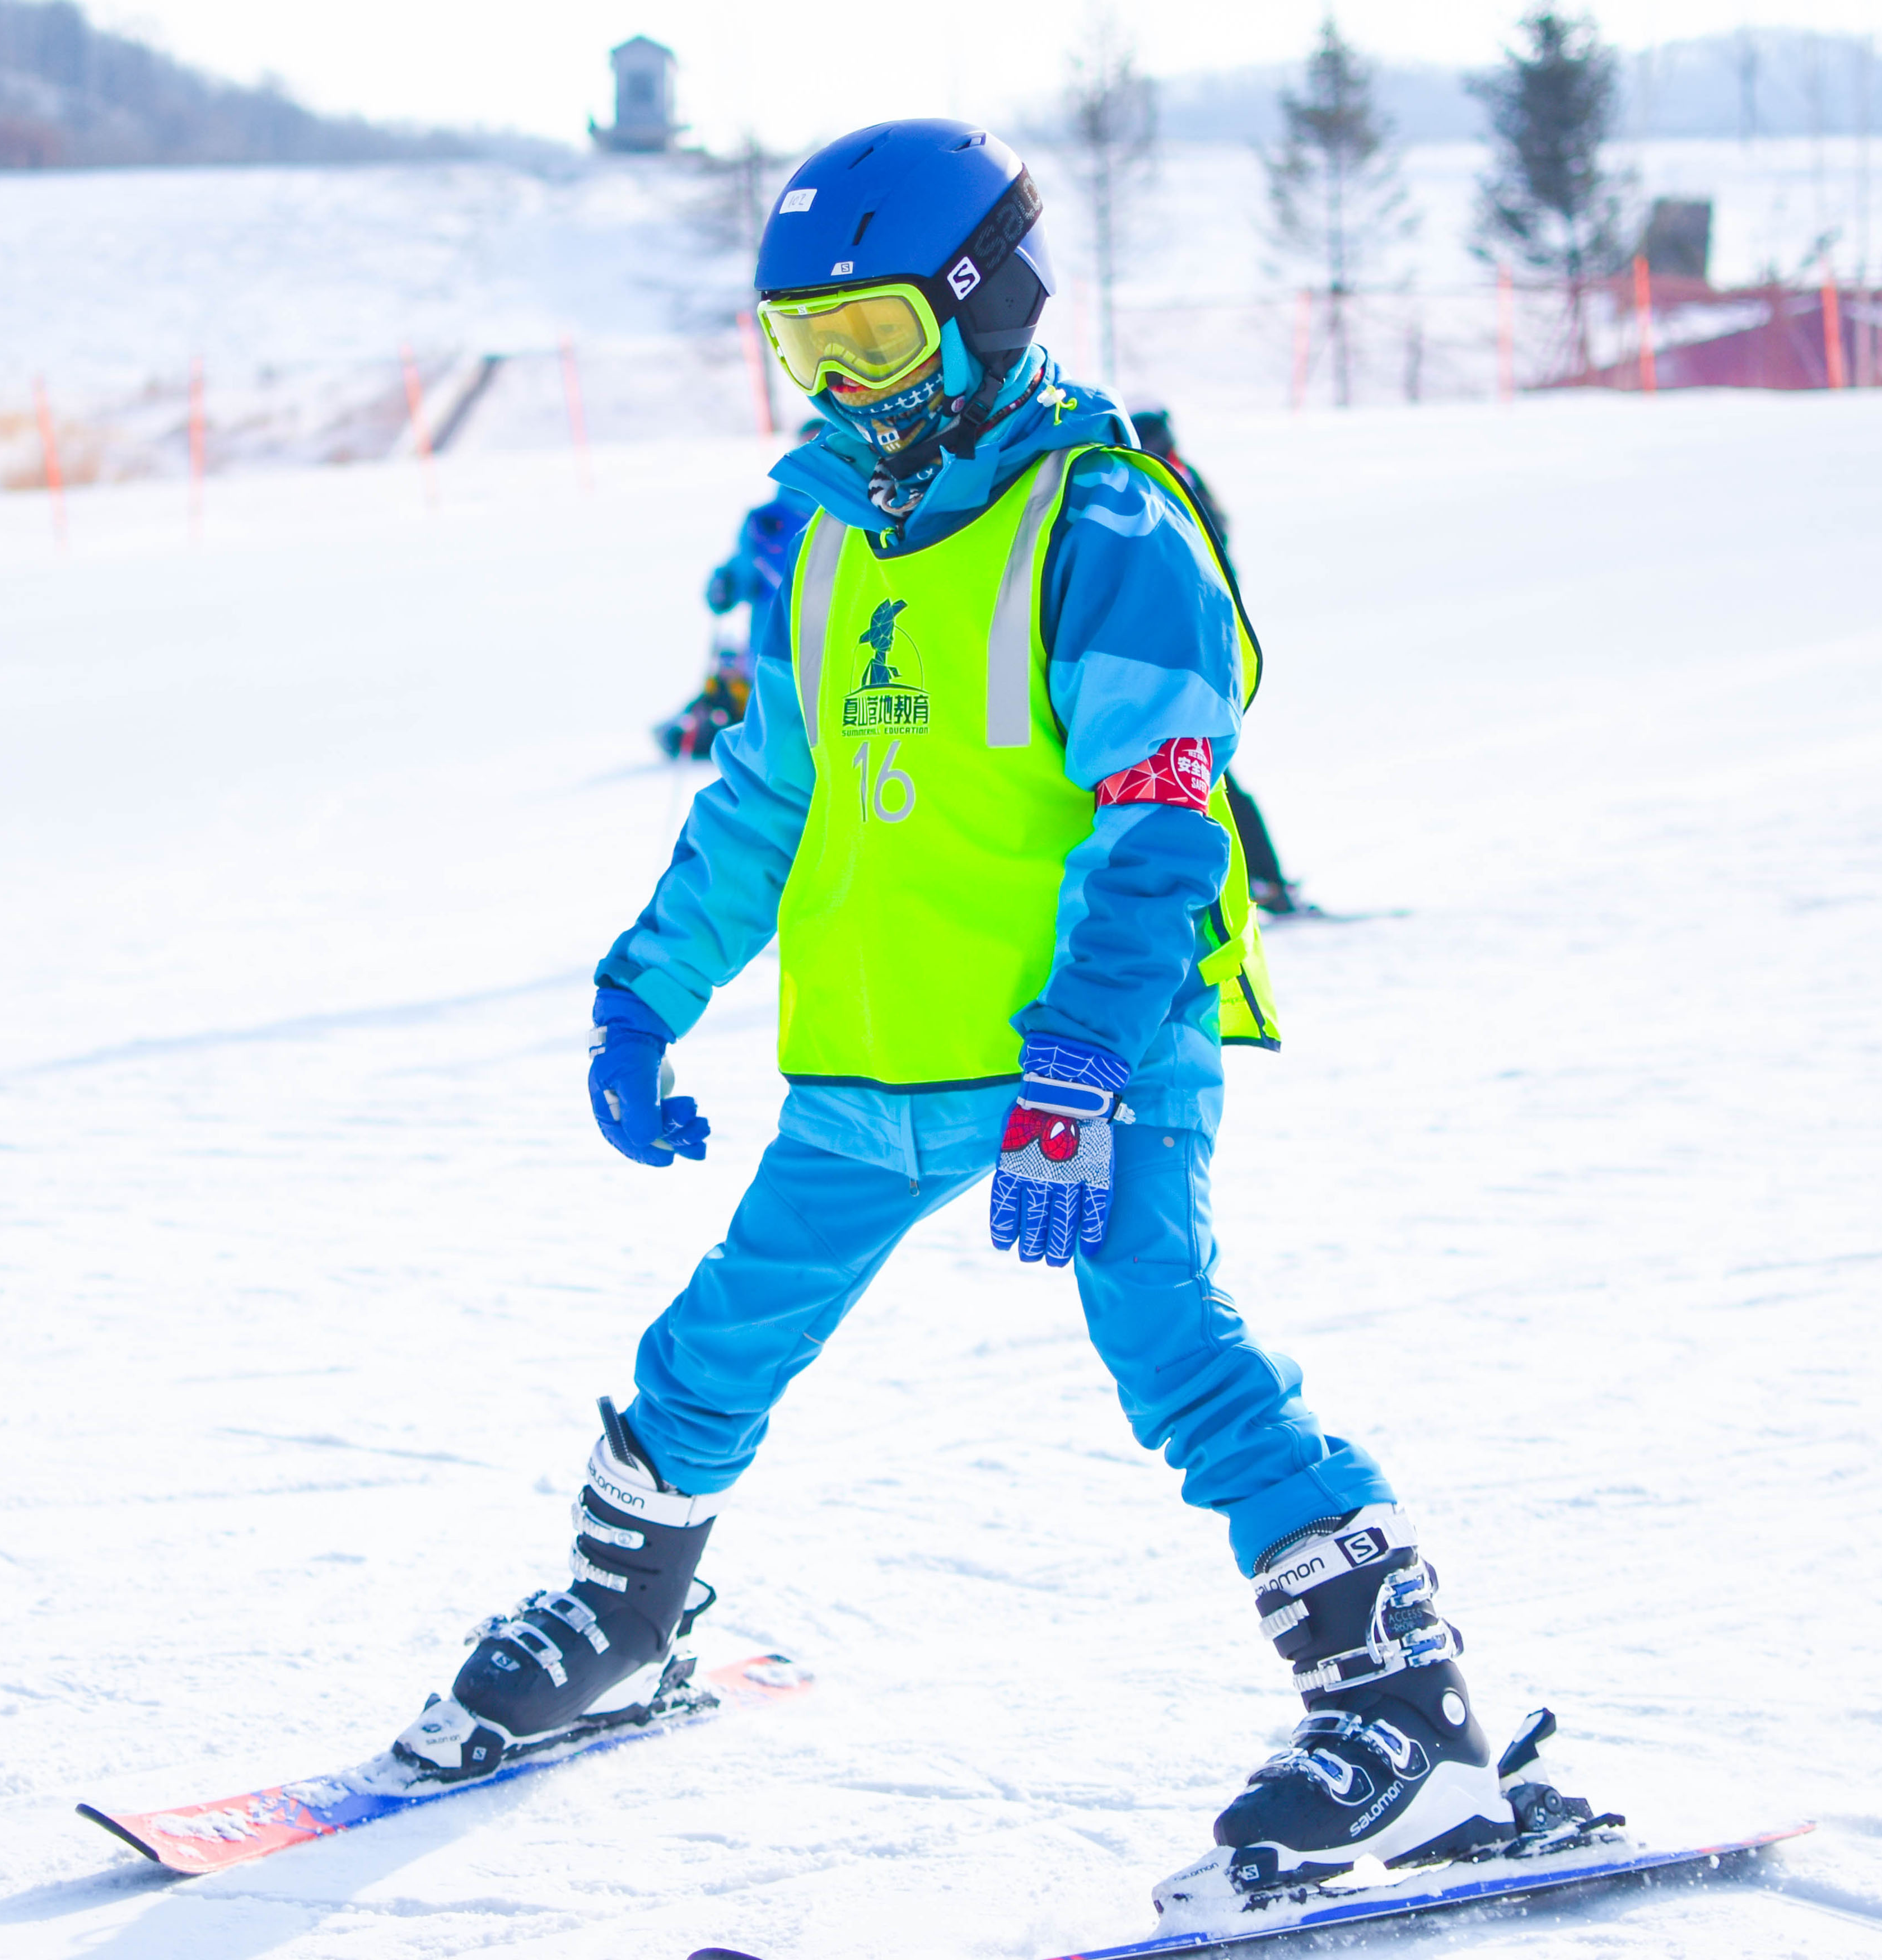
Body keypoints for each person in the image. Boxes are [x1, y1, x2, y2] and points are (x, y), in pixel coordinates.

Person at [380, 119, 1585, 1914]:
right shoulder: (812, 538)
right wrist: (646, 986)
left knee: (1177, 1354)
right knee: (712, 1347)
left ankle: (1407, 1714)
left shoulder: (1100, 527)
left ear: (985, 306)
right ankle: (627, 1613)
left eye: (876, 338)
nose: (849, 386)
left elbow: (1161, 817)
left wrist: (1087, 1056)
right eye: (808, 351)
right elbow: (761, 799)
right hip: (868, 1058)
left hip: (1082, 1054)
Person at [1127, 405, 1305, 917]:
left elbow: (1210, 570)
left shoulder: (1169, 484)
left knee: (1206, 775)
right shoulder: (1166, 480)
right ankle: (1261, 882)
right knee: (1204, 776)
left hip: (1186, 658)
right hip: (1180, 653)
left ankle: (1261, 883)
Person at [659, 485, 808, 760]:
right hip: (771, 658)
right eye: (806, 438)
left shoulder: (850, 506)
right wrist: (726, 584)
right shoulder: (767, 521)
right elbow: (743, 569)